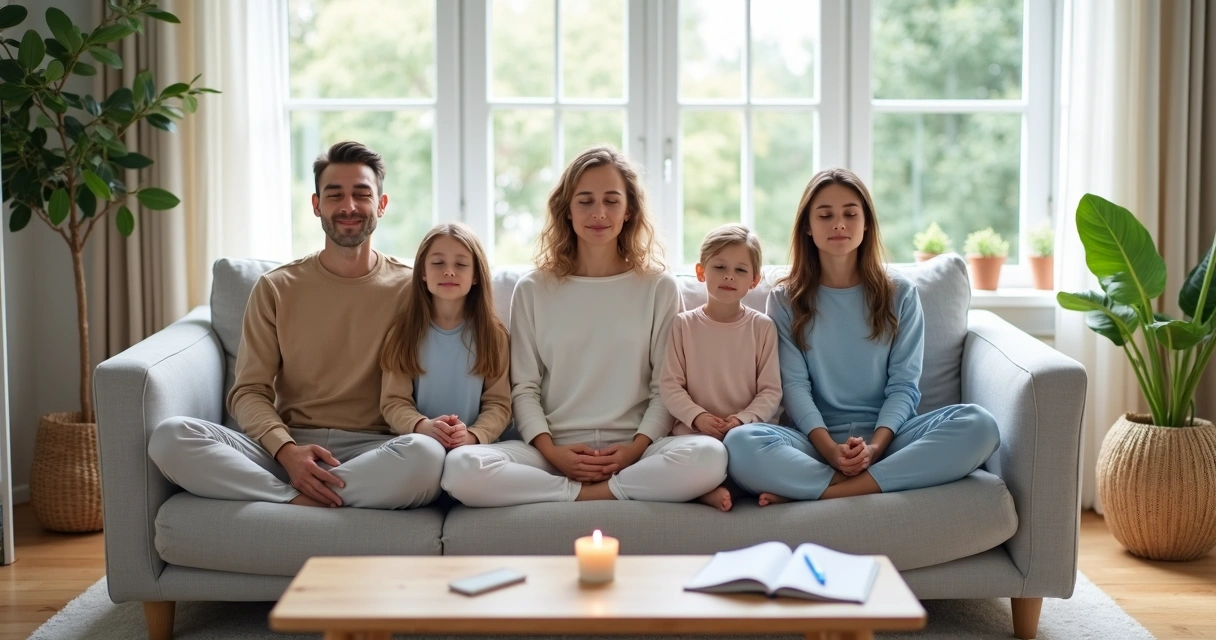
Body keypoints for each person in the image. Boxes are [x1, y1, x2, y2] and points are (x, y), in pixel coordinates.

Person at [148, 141, 446, 509]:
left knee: (426, 456)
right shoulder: (276, 287)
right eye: (334, 195)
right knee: (170, 437)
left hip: (376, 448)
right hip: (287, 446)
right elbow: (248, 392)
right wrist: (287, 452)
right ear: (317, 205)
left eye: (362, 194)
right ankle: (296, 497)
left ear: (382, 205)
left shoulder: (413, 287)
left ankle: (307, 497)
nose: (348, 206)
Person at [441, 146, 727, 507]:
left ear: (629, 211)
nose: (598, 213)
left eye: (611, 200)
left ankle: (598, 492)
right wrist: (552, 451)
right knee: (461, 467)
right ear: (567, 210)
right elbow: (524, 388)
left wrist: (634, 450)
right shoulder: (532, 289)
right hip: (553, 453)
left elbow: (665, 387)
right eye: (585, 201)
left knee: (710, 456)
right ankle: (593, 494)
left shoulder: (658, 287)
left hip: (635, 450)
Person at [724, 168, 1000, 505]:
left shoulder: (901, 294)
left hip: (892, 441)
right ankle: (862, 482)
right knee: (740, 442)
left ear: (866, 223)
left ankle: (826, 491)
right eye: (825, 215)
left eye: (850, 214)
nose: (839, 224)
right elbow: (795, 388)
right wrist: (831, 452)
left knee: (979, 424)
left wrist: (874, 448)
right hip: (814, 443)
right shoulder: (785, 300)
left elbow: (904, 387)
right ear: (808, 228)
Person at [659, 224, 782, 512]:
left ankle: (722, 488)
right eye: (720, 266)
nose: (729, 275)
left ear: (754, 280)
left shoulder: (762, 327)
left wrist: (742, 420)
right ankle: (706, 489)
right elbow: (670, 385)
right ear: (701, 272)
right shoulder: (683, 325)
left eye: (740, 270)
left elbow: (770, 390)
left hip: (748, 433)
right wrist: (698, 417)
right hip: (696, 434)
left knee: (755, 453)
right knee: (694, 457)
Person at [380, 222, 511, 450]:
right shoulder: (402, 333)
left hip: (473, 450)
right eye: (438, 263)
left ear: (476, 276)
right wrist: (424, 427)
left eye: (461, 264)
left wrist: (471, 436)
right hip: (420, 445)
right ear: (422, 272)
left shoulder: (493, 335)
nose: (449, 271)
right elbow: (394, 402)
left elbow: (498, 404)